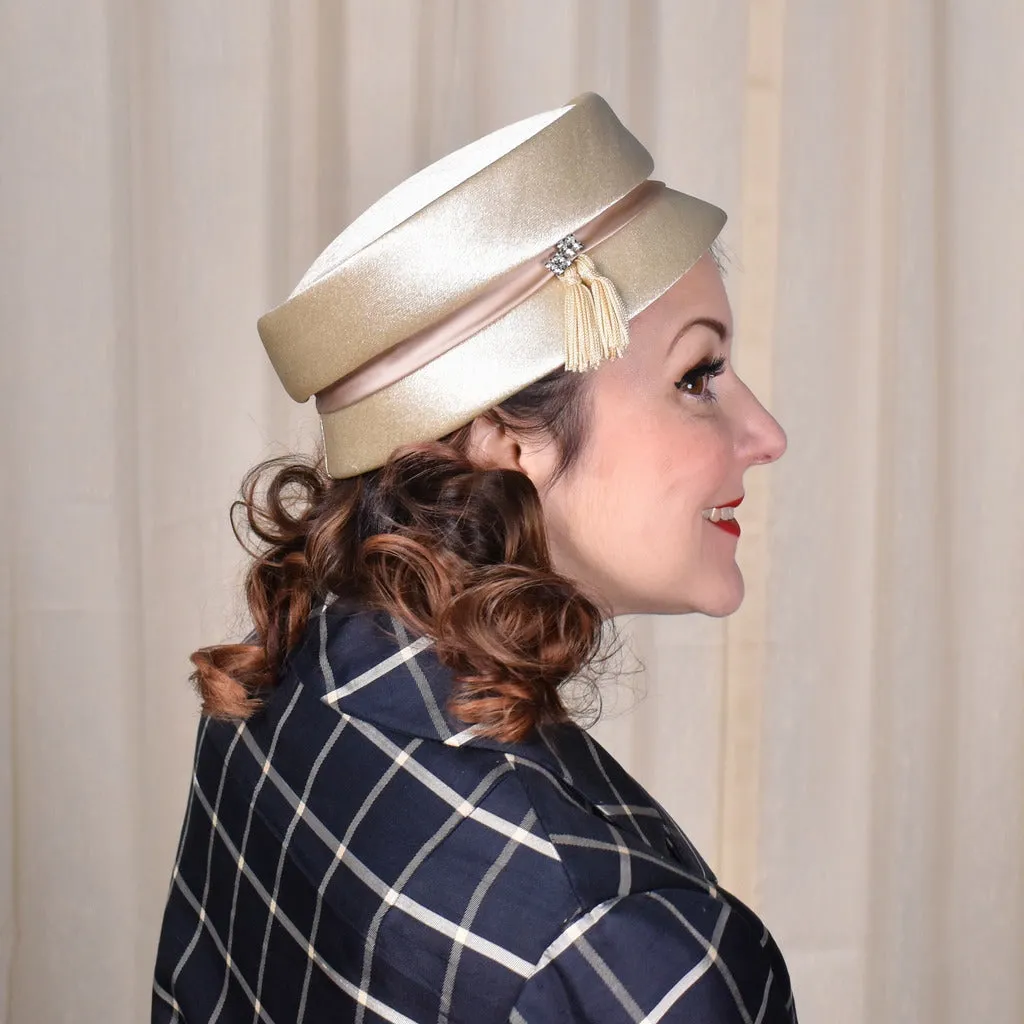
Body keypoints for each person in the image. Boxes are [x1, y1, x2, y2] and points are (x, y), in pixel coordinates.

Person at [152, 92, 795, 1023]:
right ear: (498, 437)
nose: (766, 435)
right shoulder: (632, 950)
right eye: (697, 376)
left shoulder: (280, 678)